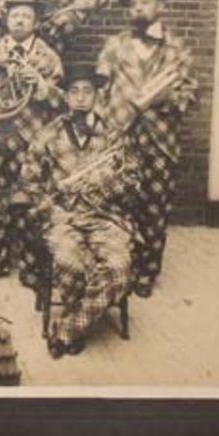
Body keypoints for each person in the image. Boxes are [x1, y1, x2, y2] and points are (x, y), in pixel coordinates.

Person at [93, 0, 200, 298]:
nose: (139, 8)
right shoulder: (114, 45)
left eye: (146, 2)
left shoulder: (177, 49)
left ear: (160, 7)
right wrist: (99, 132)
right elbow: (100, 90)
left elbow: (192, 94)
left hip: (159, 140)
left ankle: (146, 274)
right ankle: (117, 268)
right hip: (119, 137)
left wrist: (166, 100)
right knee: (117, 205)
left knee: (154, 208)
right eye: (134, 4)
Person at [23, 68, 135, 356]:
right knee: (70, 263)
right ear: (65, 97)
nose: (81, 98)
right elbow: (29, 179)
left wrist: (103, 182)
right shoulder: (48, 133)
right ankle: (78, 326)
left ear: (97, 96)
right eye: (74, 91)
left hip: (104, 217)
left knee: (119, 269)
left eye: (87, 91)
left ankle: (69, 329)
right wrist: (51, 200)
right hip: (63, 219)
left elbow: (131, 177)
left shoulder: (113, 134)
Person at [0, 0, 64, 278]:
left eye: (25, 16)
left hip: (33, 137)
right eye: (14, 16)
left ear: (35, 23)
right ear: (7, 22)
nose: (19, 20)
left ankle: (31, 265)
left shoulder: (48, 57)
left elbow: (60, 101)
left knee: (32, 199)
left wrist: (42, 85)